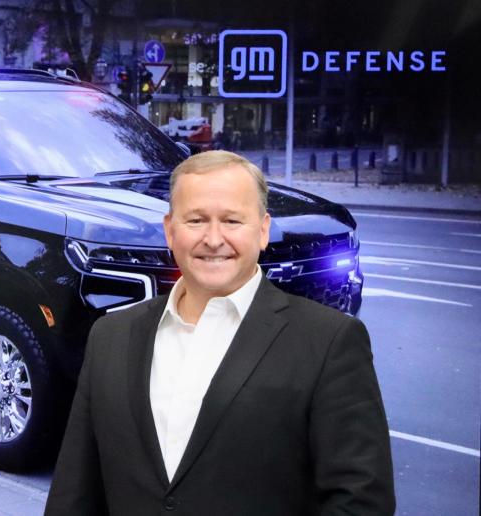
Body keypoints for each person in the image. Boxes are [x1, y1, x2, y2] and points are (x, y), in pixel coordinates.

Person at [45, 150, 394, 515]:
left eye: (231, 221)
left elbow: (360, 501)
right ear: (169, 230)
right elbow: (74, 492)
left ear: (262, 230)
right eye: (196, 220)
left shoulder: (330, 342)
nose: (213, 239)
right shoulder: (110, 337)